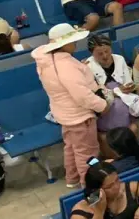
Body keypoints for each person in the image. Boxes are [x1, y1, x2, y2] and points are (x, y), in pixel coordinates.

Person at [32, 23, 112, 188]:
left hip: (64, 114)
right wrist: (102, 105)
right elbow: (81, 95)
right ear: (64, 44)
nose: (75, 43)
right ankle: (89, 185)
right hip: (80, 117)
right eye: (73, 41)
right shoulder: (67, 65)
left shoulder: (47, 60)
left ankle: (72, 178)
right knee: (88, 153)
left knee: (71, 148)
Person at [84, 35, 139, 154]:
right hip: (103, 106)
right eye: (100, 53)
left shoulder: (119, 59)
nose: (105, 56)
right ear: (92, 53)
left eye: (107, 51)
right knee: (106, 135)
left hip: (124, 100)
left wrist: (129, 87)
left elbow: (128, 81)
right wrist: (116, 91)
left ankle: (132, 153)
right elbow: (94, 94)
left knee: (133, 127)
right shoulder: (87, 66)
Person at [68, 159, 139, 219]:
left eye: (117, 180)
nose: (117, 186)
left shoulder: (126, 189)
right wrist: (99, 211)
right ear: (96, 190)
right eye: (110, 186)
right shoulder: (81, 211)